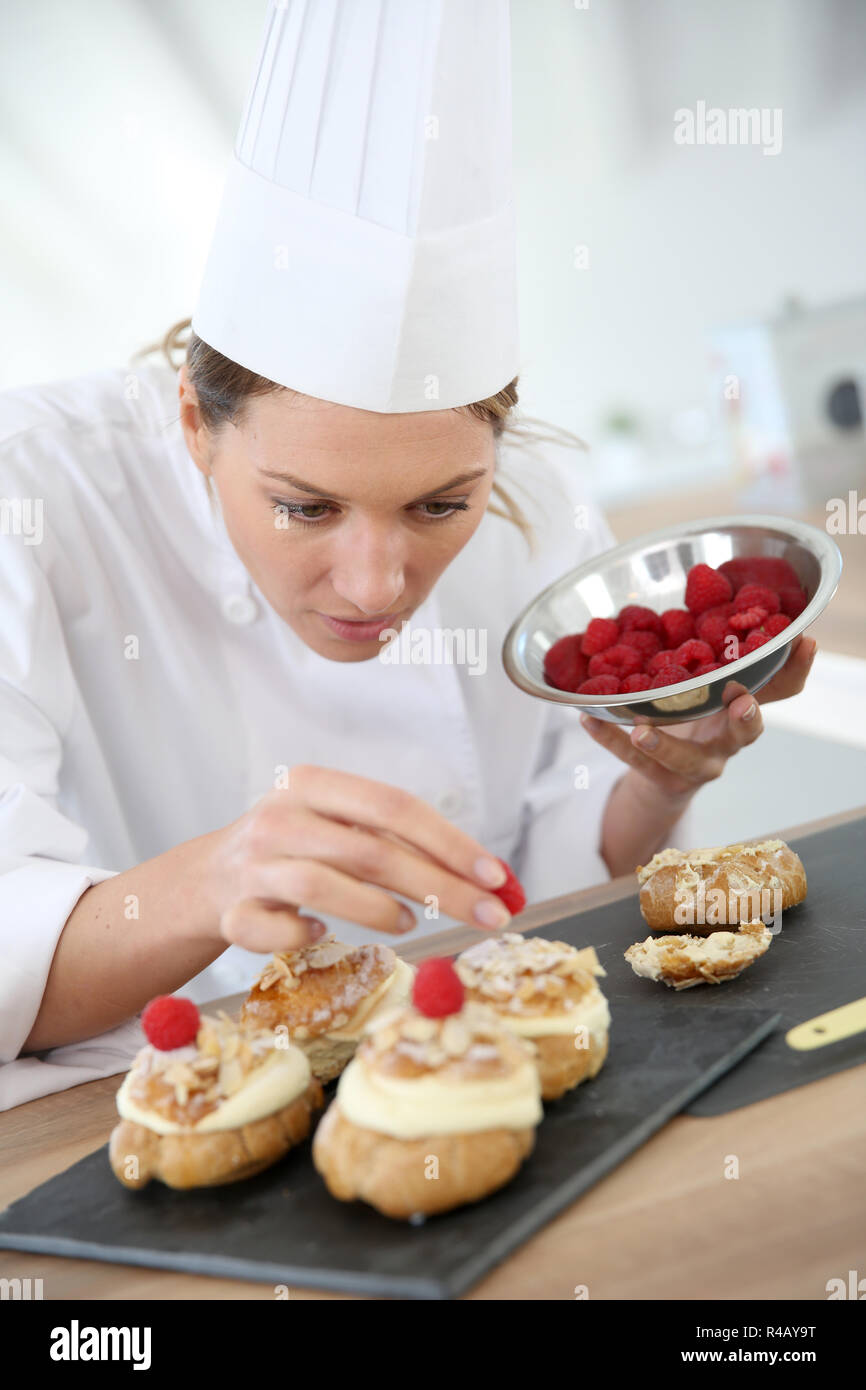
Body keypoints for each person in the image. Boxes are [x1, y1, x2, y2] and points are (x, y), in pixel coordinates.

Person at [0, 1, 815, 1107]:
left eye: (438, 506)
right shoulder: (30, 495)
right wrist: (214, 878)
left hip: (476, 1077)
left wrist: (658, 777)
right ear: (195, 426)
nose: (377, 585)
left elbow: (562, 872)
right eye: (303, 508)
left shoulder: (535, 500)